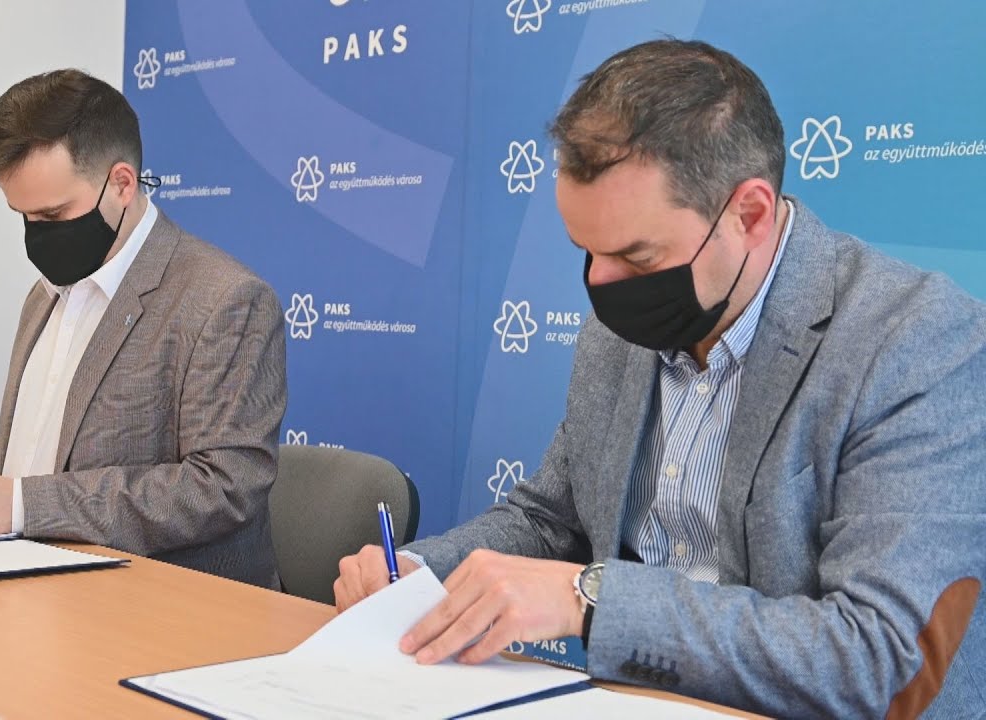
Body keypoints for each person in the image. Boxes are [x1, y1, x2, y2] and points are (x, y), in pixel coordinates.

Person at [334, 40, 985, 717]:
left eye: (637, 257)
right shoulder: (622, 329)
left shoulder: (918, 343)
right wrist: (421, 577)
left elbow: (877, 658)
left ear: (750, 215)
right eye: (586, 252)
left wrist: (592, 602)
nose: (601, 285)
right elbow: (551, 520)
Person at [0, 69, 287, 589]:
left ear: (122, 184)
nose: (37, 237)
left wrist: (20, 505)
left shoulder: (225, 300)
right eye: (23, 217)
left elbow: (221, 488)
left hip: (164, 604)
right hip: (38, 588)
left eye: (54, 214)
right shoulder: (45, 295)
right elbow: (36, 445)